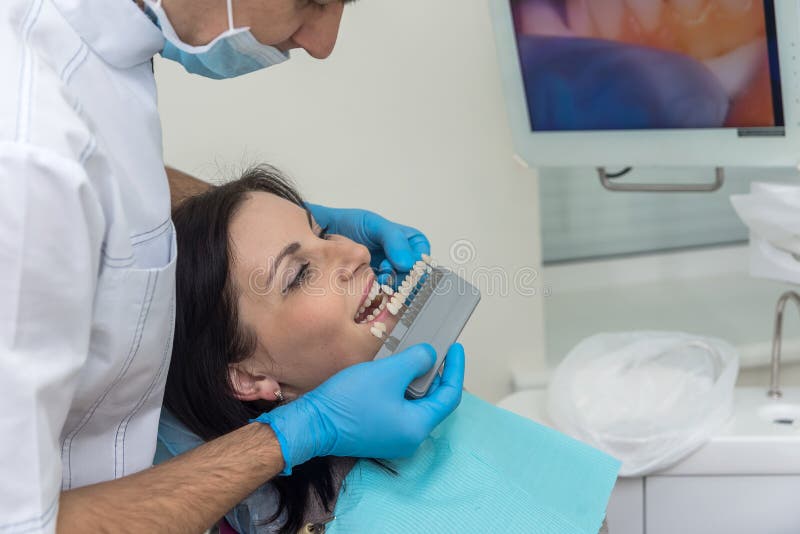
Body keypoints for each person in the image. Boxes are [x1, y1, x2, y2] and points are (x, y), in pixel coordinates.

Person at [0, 1, 464, 532]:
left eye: (322, 231)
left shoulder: (85, 70)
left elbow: (106, 173)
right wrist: (293, 434)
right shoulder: (26, 159)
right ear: (248, 377)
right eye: (311, 0)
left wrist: (266, 223)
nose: (323, 41)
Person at [157, 166, 616, 533]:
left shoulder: (427, 413)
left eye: (324, 231)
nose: (356, 252)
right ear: (248, 377)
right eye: (298, 274)